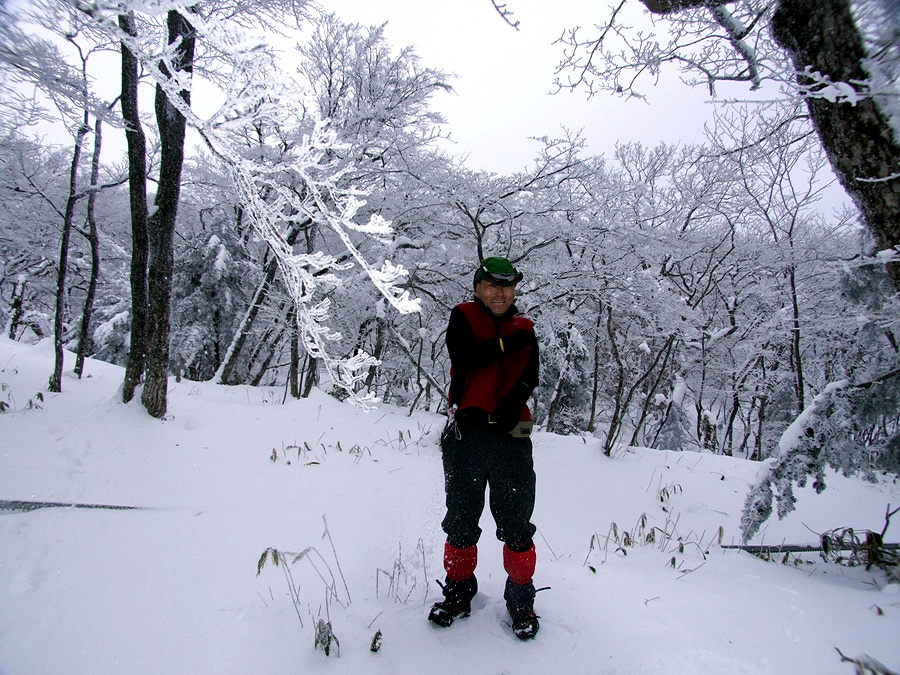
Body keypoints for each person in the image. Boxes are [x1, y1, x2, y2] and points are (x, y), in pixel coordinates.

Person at [428, 256, 542, 640]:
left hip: (512, 437)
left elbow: (531, 377)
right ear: (478, 287)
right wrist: (509, 341)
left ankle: (520, 598)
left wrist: (512, 405)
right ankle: (459, 591)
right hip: (468, 435)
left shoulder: (526, 327)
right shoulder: (463, 316)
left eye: (507, 287)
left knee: (516, 523)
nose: (499, 293)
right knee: (461, 518)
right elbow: (466, 355)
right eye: (492, 285)